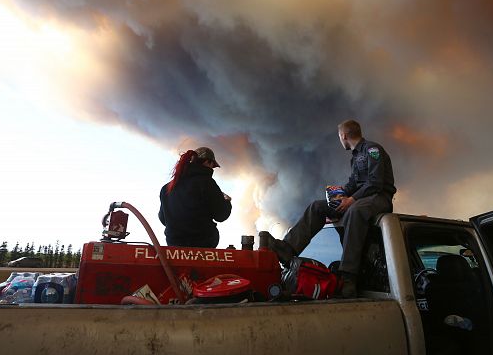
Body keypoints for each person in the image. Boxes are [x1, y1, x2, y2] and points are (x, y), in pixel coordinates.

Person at [262, 120, 396, 297]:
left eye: (339, 137)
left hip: (379, 197)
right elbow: (354, 184)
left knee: (355, 211)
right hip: (360, 199)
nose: (340, 140)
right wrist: (338, 194)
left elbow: (375, 183)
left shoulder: (372, 150)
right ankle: (287, 248)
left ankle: (348, 277)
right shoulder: (355, 157)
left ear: (344, 136)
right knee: (317, 206)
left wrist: (351, 200)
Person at [158, 147, 232, 248]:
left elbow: (163, 219)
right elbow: (221, 215)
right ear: (207, 162)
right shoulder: (207, 183)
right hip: (204, 243)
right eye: (212, 165)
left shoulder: (166, 188)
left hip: (174, 245)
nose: (212, 169)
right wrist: (227, 202)